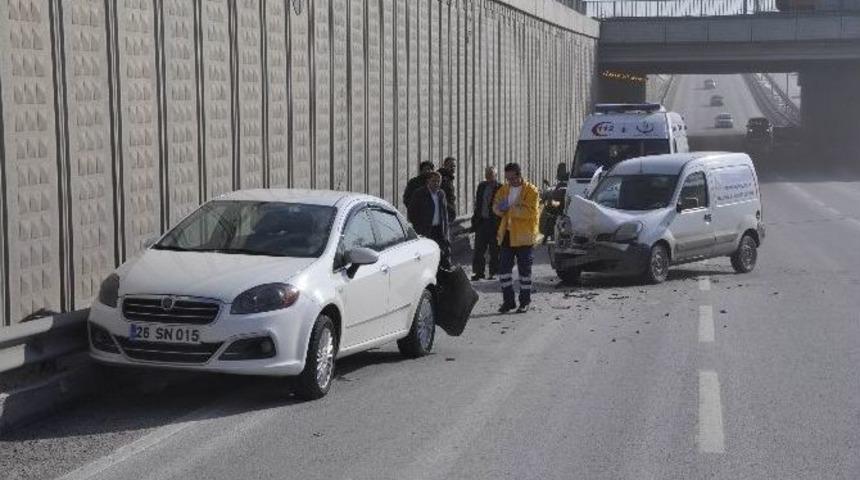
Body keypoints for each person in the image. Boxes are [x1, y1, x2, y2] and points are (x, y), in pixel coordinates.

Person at [493, 162, 540, 314]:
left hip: (524, 237)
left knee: (524, 272)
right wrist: (500, 209)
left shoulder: (531, 190)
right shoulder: (504, 189)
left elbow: (531, 212)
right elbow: (495, 206)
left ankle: (524, 302)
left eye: (512, 178)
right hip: (507, 235)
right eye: (507, 178)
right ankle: (508, 302)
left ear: (519, 175)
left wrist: (510, 209)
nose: (509, 182)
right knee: (504, 271)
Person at [407, 171, 452, 269]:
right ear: (428, 181)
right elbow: (411, 212)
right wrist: (419, 226)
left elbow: (444, 213)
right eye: (434, 181)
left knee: (443, 255)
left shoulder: (441, 194)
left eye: (438, 181)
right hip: (426, 230)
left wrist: (446, 230)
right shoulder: (420, 193)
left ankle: (443, 278)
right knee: (427, 256)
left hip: (439, 230)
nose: (436, 183)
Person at [471, 166, 501, 281]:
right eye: (487, 174)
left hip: (495, 223)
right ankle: (479, 272)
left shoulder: (501, 188)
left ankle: (494, 272)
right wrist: (475, 220)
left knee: (494, 250)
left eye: (491, 174)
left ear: (495, 175)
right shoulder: (481, 186)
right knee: (479, 249)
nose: (488, 176)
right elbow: (478, 204)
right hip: (482, 222)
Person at [438, 157, 457, 223]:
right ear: (445, 165)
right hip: (443, 213)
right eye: (451, 166)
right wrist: (450, 209)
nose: (453, 168)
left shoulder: (449, 178)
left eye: (454, 166)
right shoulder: (442, 178)